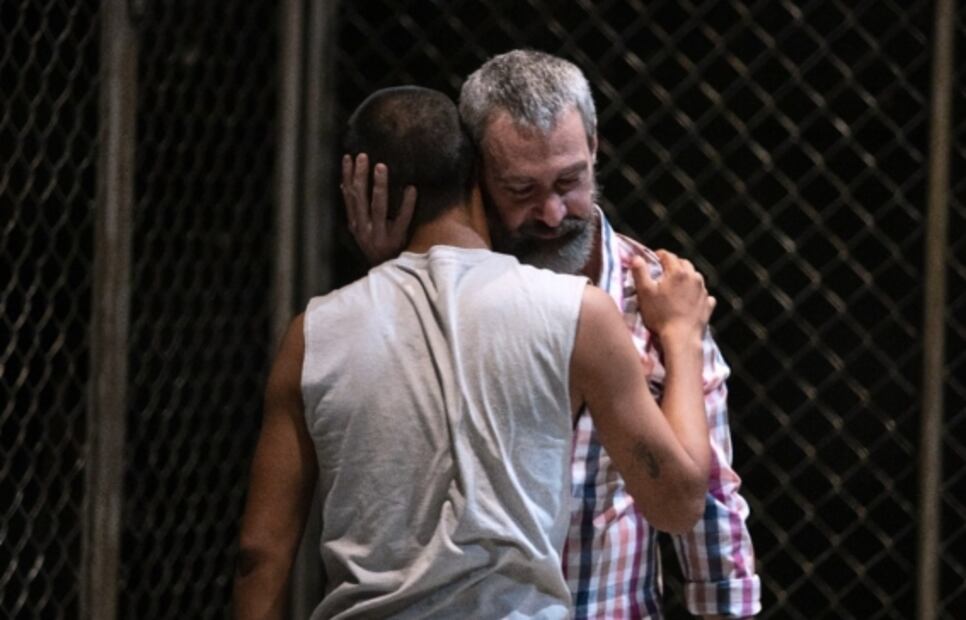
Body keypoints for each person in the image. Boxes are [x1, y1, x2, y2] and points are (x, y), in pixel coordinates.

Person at [234, 85, 717, 619]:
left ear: (364, 193)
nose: (550, 214)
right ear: (480, 178)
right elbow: (678, 504)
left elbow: (260, 556)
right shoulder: (579, 312)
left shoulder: (312, 334)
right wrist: (682, 336)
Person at [345, 51, 760, 618]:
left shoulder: (659, 300)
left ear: (594, 145)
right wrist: (393, 279)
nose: (552, 212)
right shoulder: (448, 298)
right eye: (521, 189)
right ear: (476, 177)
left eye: (570, 181)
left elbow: (708, 498)